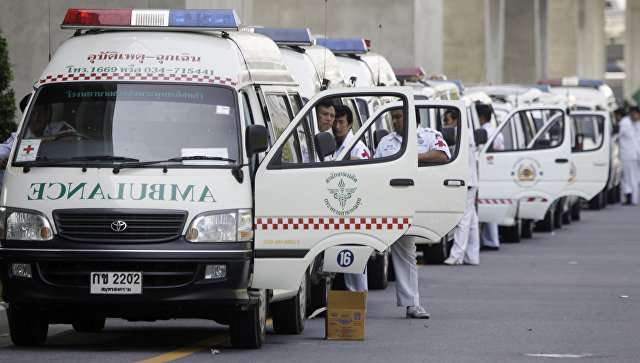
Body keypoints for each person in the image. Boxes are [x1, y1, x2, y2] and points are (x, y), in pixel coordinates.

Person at [374, 107, 449, 319]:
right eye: (393, 117)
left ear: (411, 117)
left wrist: (412, 157)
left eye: (398, 117)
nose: (395, 121)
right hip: (387, 205)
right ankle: (353, 300)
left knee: (407, 252)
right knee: (364, 249)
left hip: (413, 203)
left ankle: (412, 303)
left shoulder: (430, 136)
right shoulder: (386, 142)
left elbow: (442, 155)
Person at [333, 105, 372, 292]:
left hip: (354, 208)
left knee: (353, 255)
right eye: (335, 122)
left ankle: (358, 297)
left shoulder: (357, 146)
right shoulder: (335, 144)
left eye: (341, 122)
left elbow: (367, 166)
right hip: (338, 206)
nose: (337, 126)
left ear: (350, 125)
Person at [442, 110, 480, 265]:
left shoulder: (460, 135)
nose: (445, 124)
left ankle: (457, 255)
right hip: (470, 179)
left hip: (466, 181)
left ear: (456, 121)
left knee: (463, 219)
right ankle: (472, 256)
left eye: (447, 120)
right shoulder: (468, 133)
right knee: (471, 220)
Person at [476, 103, 501, 250]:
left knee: (484, 207)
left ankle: (490, 241)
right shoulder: (497, 132)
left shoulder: (483, 132)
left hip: (484, 171)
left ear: (481, 117)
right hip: (494, 171)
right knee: (490, 206)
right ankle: (491, 239)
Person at [618, 106, 640, 205]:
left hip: (631, 155)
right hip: (631, 154)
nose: (633, 115)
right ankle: (631, 197)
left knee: (632, 177)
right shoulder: (628, 123)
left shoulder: (626, 123)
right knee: (630, 177)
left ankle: (633, 199)